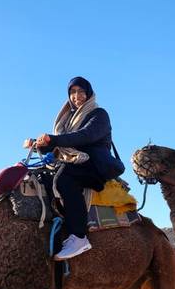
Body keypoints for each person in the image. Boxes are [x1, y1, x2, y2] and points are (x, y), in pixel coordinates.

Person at [24, 76, 124, 260]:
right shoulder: (67, 118)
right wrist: (38, 143)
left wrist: (52, 139)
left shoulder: (99, 114)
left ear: (89, 93)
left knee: (63, 177)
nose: (76, 96)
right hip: (72, 161)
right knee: (40, 177)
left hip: (94, 165)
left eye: (81, 91)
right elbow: (61, 145)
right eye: (72, 92)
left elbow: (84, 136)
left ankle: (79, 236)